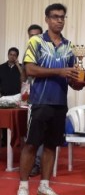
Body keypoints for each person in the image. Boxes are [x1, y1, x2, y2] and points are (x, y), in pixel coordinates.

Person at [15, 3, 82, 195]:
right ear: (47, 19)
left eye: (62, 17)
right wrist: (60, 71)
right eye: (55, 17)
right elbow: (31, 70)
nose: (59, 20)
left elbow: (72, 79)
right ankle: (23, 188)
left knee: (52, 146)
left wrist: (79, 80)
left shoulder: (70, 46)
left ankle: (44, 186)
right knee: (31, 145)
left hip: (60, 103)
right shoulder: (36, 41)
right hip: (40, 102)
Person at [26, 24, 44, 177]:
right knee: (31, 135)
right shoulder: (28, 53)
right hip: (33, 99)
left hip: (49, 98)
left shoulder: (47, 52)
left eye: (37, 35)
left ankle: (38, 163)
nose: (34, 38)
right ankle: (32, 163)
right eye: (31, 35)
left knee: (43, 136)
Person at [0, 47, 24, 146]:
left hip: (17, 98)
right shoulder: (1, 67)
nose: (12, 57)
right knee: (4, 119)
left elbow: (25, 78)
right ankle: (5, 141)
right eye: (11, 54)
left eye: (14, 55)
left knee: (16, 119)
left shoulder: (20, 67)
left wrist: (18, 65)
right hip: (4, 98)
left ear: (17, 56)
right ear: (8, 55)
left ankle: (17, 141)